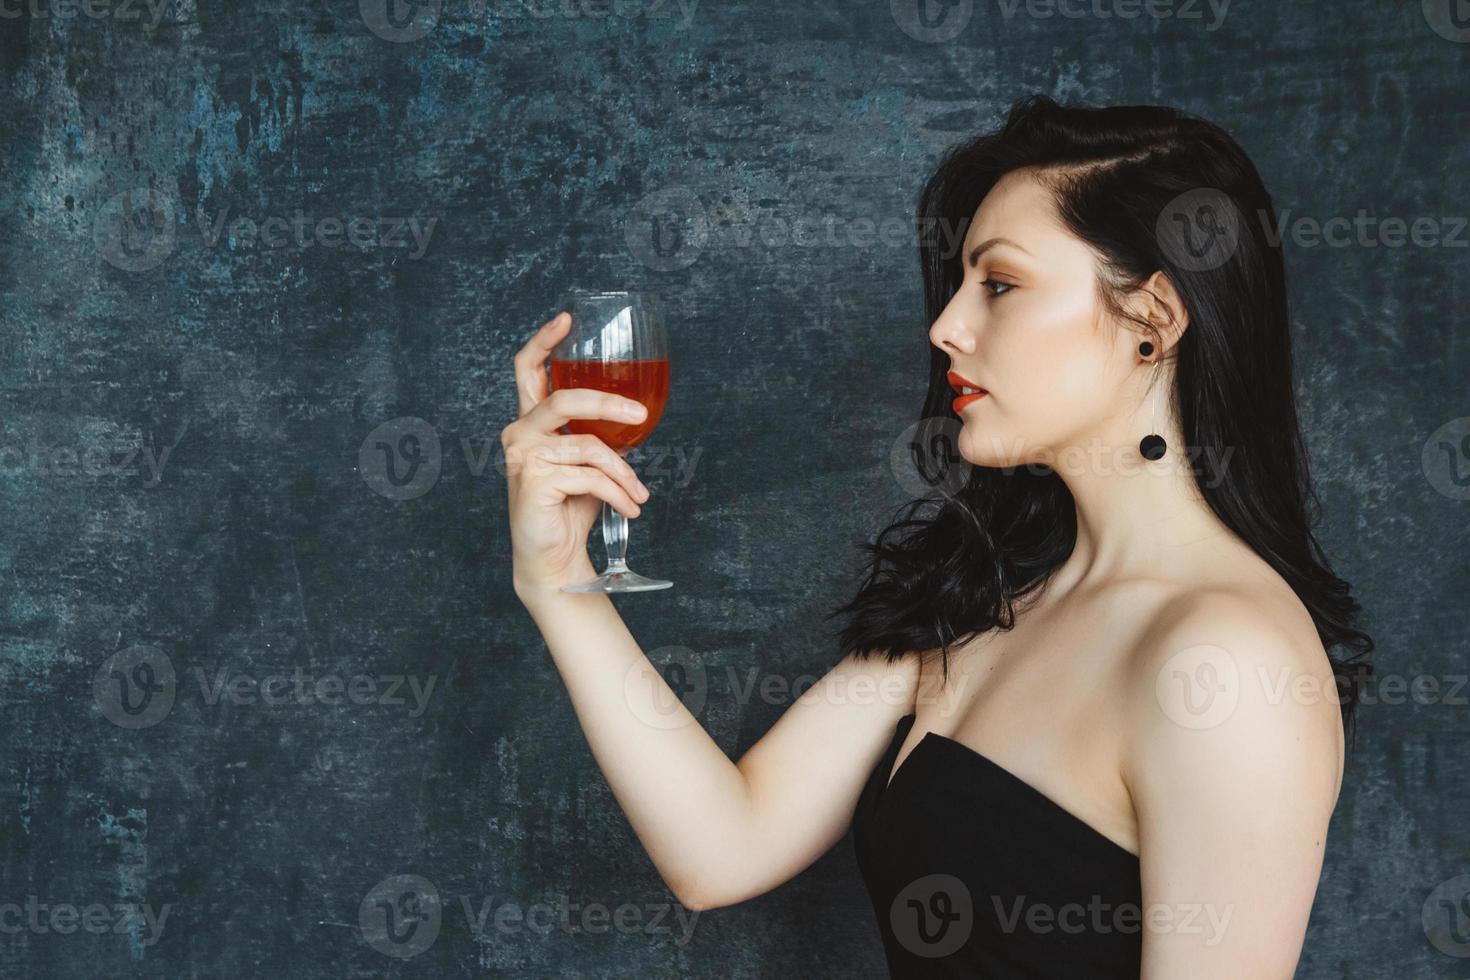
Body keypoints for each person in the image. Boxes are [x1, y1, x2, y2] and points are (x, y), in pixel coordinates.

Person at [499, 94, 1374, 977]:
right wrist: (555, 576)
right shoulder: (988, 594)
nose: (945, 327)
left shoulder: (1229, 660)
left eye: (998, 284)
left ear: (1153, 319)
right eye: (960, 284)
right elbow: (722, 847)